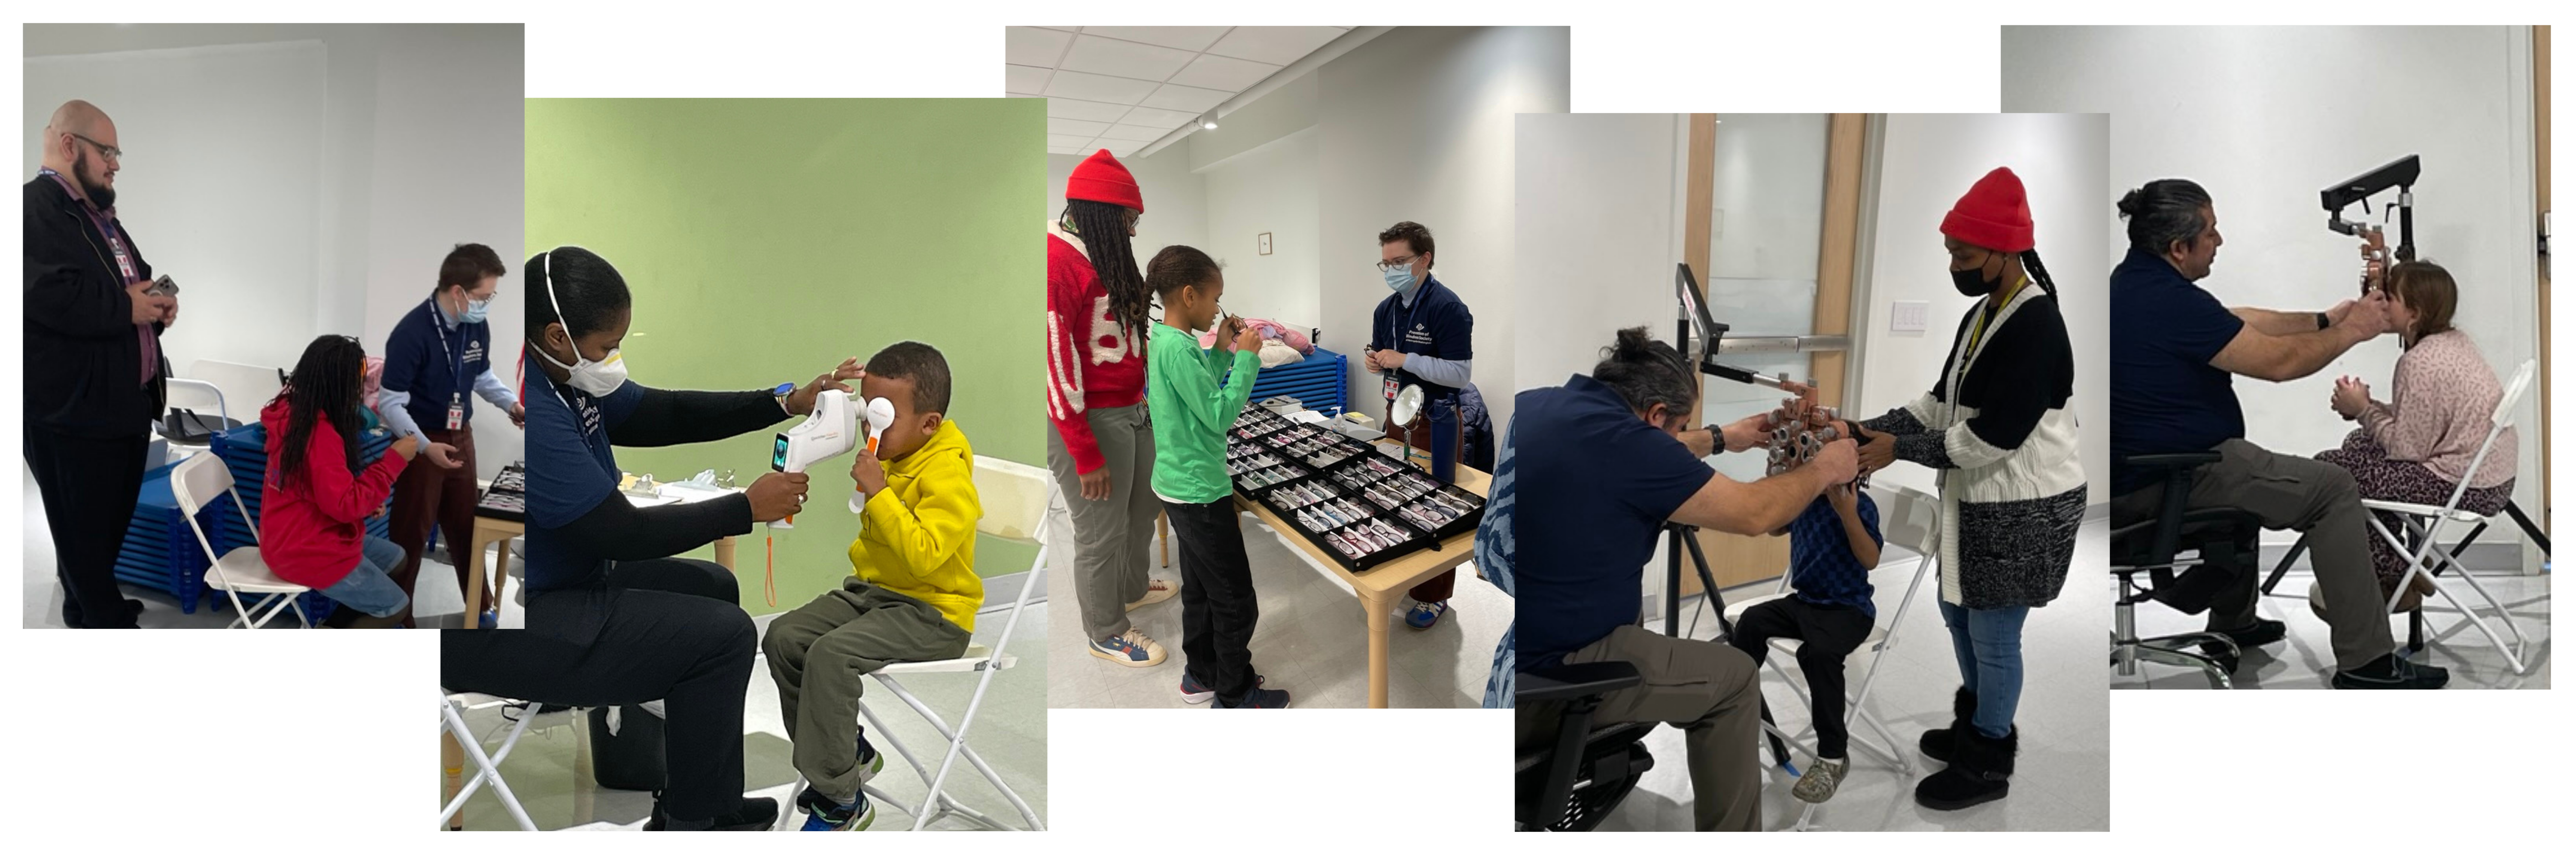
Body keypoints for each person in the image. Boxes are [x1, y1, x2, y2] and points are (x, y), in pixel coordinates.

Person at [492, 246, 858, 830]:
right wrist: (744, 508)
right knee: (724, 637)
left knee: (713, 587)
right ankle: (692, 822)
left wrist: (783, 402)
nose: (614, 358)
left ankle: (710, 802)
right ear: (558, 336)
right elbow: (621, 531)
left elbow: (665, 414)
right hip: (523, 618)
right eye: (608, 345)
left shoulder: (565, 375)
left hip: (568, 579)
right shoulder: (530, 406)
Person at [2104, 179, 2445, 691]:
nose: (2219, 240)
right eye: (2211, 232)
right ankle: (2369, 663)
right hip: (2169, 477)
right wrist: (2355, 330)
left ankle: (2235, 623)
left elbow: (2236, 322)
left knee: (2249, 466)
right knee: (2331, 487)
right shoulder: (2169, 301)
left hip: (2156, 469)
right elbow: (2279, 363)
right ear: (2178, 247)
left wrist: (2326, 319)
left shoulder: (2135, 282)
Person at [1511, 327, 1855, 832]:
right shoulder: (1636, 448)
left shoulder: (1537, 404)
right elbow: (1756, 513)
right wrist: (1823, 468)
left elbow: (1634, 450)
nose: (1678, 437)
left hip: (1515, 645)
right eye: (1678, 426)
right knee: (1735, 676)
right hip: (1551, 676)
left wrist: (1720, 437)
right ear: (1655, 414)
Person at [1841, 167, 2081, 808]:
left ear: (2006, 251)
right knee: (1958, 614)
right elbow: (1939, 404)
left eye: (1965, 255)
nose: (1954, 265)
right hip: (1978, 498)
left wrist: (1895, 450)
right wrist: (1866, 428)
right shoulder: (1984, 315)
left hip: (2024, 509)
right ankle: (1977, 723)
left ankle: (1987, 763)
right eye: (1950, 252)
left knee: (1995, 636)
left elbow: (1992, 439)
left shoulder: (2036, 324)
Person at [764, 342, 981, 832]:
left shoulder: (947, 471)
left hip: (935, 614)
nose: (869, 429)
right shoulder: (897, 450)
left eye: (883, 418)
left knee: (831, 656)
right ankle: (848, 754)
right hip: (874, 595)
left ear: (929, 424)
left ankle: (841, 800)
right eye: (868, 413)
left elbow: (925, 554)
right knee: (784, 637)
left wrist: (880, 492)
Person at [22, 99, 166, 630]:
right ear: (69, 146)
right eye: (108, 152)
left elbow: (131, 281)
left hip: (121, 403)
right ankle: (105, 617)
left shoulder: (97, 216)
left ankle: (82, 606)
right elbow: (50, 296)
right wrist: (127, 307)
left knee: (104, 525)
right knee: (83, 530)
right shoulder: (33, 210)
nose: (115, 164)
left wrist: (155, 306)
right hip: (72, 412)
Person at [2316, 259, 2517, 611]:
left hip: (2466, 488)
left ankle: (2390, 576)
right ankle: (2401, 567)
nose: (2381, 303)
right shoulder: (2454, 342)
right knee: (2358, 445)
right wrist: (2369, 406)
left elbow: (2407, 450)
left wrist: (2362, 410)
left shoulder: (2419, 362)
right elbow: (2423, 421)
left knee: (2331, 470)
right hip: (2490, 480)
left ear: (2414, 313)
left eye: (2390, 297)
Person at [1045, 149, 1175, 669]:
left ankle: (1132, 588)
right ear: (1101, 215)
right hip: (1087, 418)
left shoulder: (1100, 253)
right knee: (1101, 531)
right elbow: (1054, 364)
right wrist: (1084, 452)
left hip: (1130, 408)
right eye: (1129, 219)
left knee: (1142, 508)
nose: (1135, 231)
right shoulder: (1056, 261)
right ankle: (1106, 630)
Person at [1145, 245, 1282, 708]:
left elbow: (1196, 395)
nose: (1218, 309)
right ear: (1190, 295)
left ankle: (1202, 675)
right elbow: (1219, 414)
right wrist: (1247, 359)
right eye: (1215, 299)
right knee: (1235, 600)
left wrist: (1223, 349)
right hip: (1200, 492)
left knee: (1202, 591)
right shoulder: (1180, 349)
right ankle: (1236, 694)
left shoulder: (1167, 340)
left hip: (1178, 485)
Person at [381, 243, 521, 628]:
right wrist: (425, 448)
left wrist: (511, 405)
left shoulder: (475, 324)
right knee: (410, 533)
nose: (487, 304)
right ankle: (399, 618)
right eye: (484, 296)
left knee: (467, 527)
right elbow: (390, 404)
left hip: (461, 436)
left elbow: (481, 375)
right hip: (420, 440)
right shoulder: (411, 333)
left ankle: (480, 606)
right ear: (458, 292)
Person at [1729, 470, 1880, 804]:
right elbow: (1774, 528)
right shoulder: (1804, 502)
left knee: (1819, 654)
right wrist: (1783, 487)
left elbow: (1870, 559)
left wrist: (1847, 513)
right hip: (1805, 602)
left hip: (1848, 609)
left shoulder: (1862, 506)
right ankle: (1729, 702)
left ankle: (1833, 756)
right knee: (1753, 620)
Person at [257, 335, 421, 629]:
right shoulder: (319, 434)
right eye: (356, 382)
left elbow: (325, 486)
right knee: (395, 607)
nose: (359, 390)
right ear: (339, 385)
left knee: (397, 559)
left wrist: (365, 501)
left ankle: (333, 624)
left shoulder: (291, 412)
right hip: (305, 550)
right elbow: (345, 505)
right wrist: (394, 461)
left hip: (289, 535)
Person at [1365, 220, 1476, 630]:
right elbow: (1385, 357)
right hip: (1398, 414)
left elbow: (1460, 374)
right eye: (1386, 264)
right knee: (1397, 494)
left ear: (1425, 259)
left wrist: (1405, 360)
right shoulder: (1386, 309)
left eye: (1400, 262)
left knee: (1435, 506)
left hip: (1437, 419)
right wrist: (1376, 363)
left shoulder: (1448, 308)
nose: (1391, 270)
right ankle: (1405, 575)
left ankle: (1434, 596)